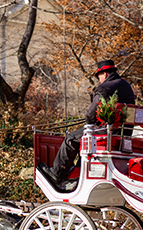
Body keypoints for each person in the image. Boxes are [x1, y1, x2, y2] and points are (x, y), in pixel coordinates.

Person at [39, 59, 135, 190]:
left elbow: (90, 115)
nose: (99, 80)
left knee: (71, 138)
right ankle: (76, 173)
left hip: (108, 132)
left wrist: (92, 122)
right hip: (124, 134)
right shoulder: (126, 85)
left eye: (99, 76)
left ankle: (57, 174)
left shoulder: (104, 88)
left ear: (104, 74)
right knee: (82, 138)